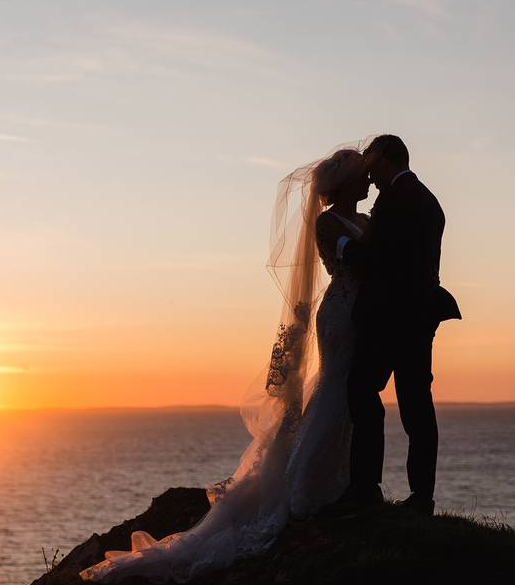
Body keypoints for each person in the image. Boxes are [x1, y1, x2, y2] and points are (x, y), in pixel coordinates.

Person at [79, 145, 373, 583]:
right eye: (361, 174)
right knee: (335, 391)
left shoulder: (367, 221)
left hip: (364, 315)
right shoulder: (328, 222)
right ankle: (304, 486)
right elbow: (360, 261)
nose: (367, 179)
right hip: (341, 314)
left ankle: (342, 480)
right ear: (343, 184)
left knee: (352, 396)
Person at [329, 134, 461, 517]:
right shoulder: (425, 198)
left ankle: (366, 487)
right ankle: (421, 496)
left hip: (391, 317)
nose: (367, 175)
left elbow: (377, 259)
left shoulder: (398, 202)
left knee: (364, 391)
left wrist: (340, 245)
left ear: (386, 159)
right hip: (418, 315)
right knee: (416, 402)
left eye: (370, 163)